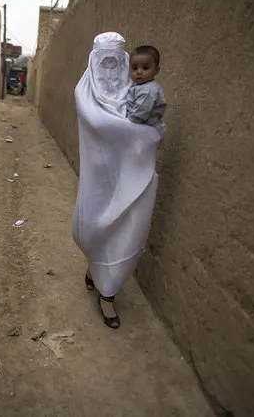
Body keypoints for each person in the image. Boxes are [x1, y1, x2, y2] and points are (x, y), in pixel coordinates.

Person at [72, 32, 164, 329]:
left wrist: (146, 135)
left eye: (116, 63)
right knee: (95, 229)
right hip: (98, 181)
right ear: (93, 61)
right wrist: (136, 133)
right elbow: (104, 128)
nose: (110, 71)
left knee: (128, 232)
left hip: (132, 179)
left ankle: (108, 295)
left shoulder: (138, 91)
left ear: (125, 62)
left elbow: (148, 129)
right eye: (104, 62)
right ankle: (94, 269)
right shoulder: (84, 92)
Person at [126, 46, 167, 131]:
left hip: (145, 129)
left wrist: (124, 125)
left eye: (145, 68)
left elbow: (139, 114)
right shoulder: (139, 86)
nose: (139, 72)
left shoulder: (149, 90)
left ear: (156, 70)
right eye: (134, 68)